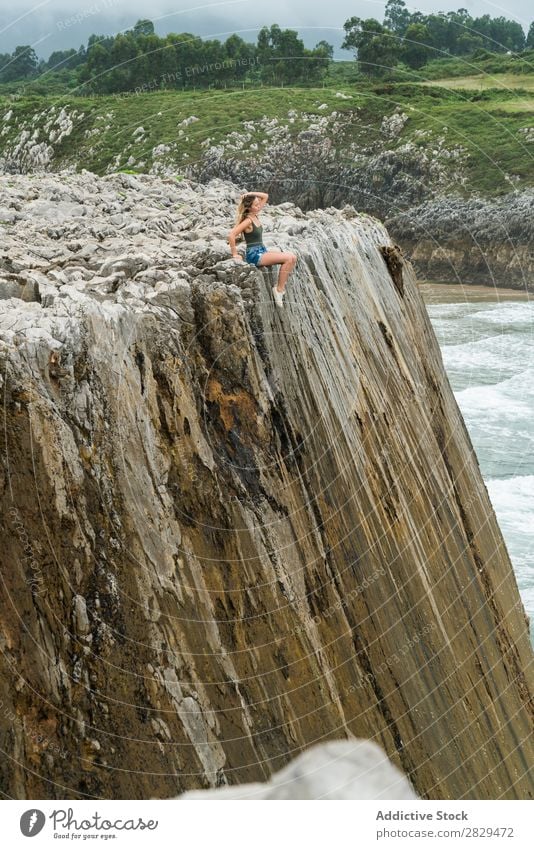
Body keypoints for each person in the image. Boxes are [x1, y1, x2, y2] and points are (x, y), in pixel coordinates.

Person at [227, 190, 297, 308]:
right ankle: (279, 290)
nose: (259, 206)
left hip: (262, 251)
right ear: (249, 207)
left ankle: (280, 289)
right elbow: (231, 235)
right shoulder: (248, 220)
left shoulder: (255, 215)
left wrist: (249, 194)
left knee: (293, 257)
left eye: (259, 204)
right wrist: (235, 253)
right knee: (288, 259)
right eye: (256, 205)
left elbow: (265, 196)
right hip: (255, 255)